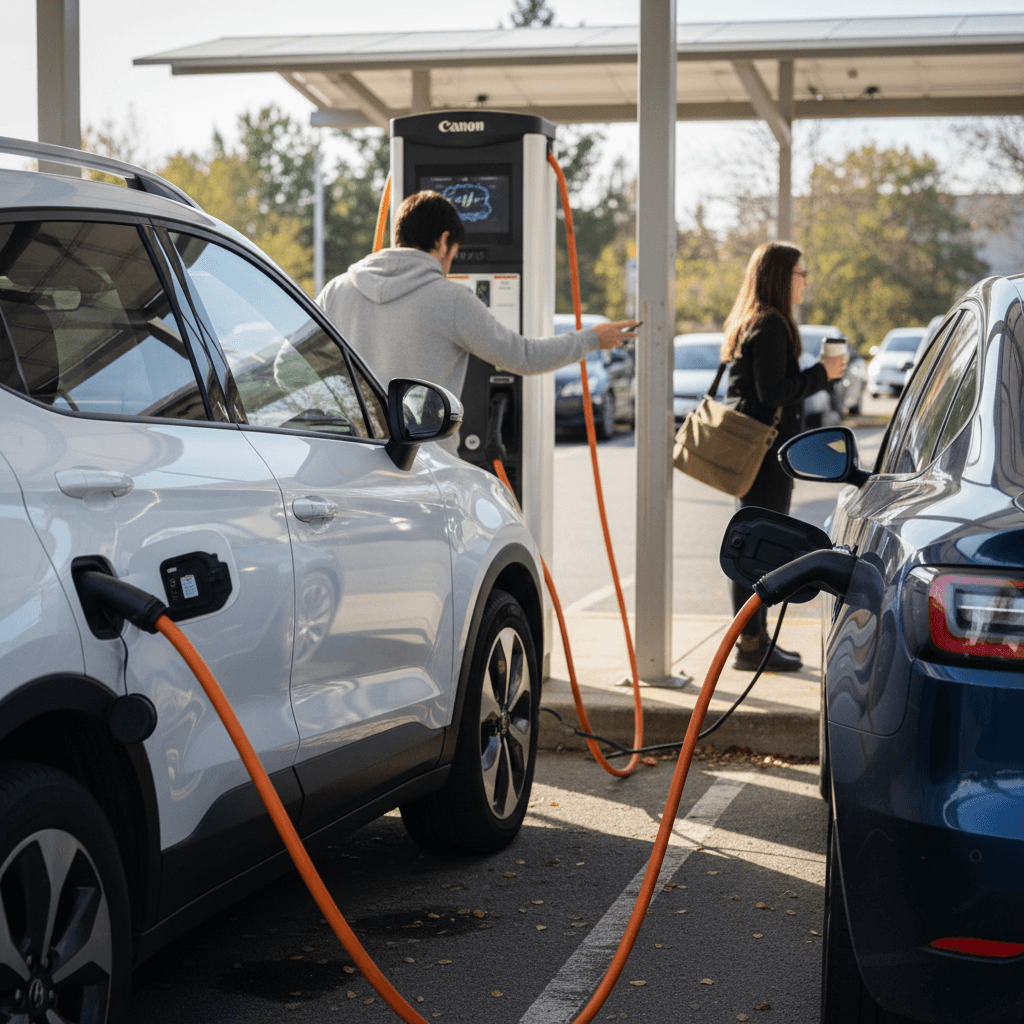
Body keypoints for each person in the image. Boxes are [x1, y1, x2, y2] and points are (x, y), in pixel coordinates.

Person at [317, 190, 639, 454]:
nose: (449, 266)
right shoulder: (452, 300)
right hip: (424, 470)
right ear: (443, 241)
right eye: (453, 255)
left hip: (351, 459)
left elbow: (286, 370)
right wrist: (591, 339)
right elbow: (523, 357)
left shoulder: (336, 291)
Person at [721, 241, 846, 672]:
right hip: (765, 458)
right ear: (780, 277)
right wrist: (821, 375)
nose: (806, 280)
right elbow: (772, 392)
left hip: (756, 456)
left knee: (755, 547)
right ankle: (751, 646)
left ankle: (752, 643)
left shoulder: (752, 321)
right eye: (800, 273)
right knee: (759, 550)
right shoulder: (771, 324)